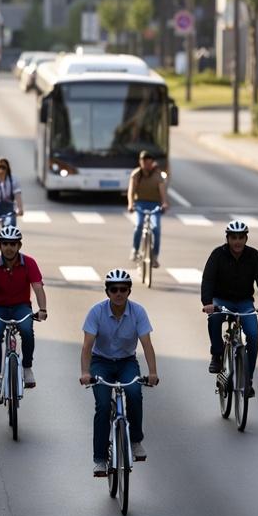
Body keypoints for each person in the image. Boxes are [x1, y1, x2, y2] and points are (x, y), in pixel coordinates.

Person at [79, 268, 160, 477]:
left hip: (126, 362)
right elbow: (87, 346)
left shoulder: (138, 312)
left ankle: (135, 441)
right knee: (103, 405)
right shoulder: (96, 312)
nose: (118, 293)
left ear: (129, 291)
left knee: (134, 392)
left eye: (123, 289)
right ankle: (99, 459)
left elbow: (147, 345)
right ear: (107, 292)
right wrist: (85, 372)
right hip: (101, 362)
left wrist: (152, 372)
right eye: (113, 289)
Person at [201, 220, 258, 396]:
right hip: (221, 300)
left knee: (253, 336)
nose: (237, 241)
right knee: (214, 319)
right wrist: (207, 303)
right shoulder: (217, 255)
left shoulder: (254, 256)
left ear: (246, 238)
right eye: (233, 237)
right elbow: (208, 279)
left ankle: (247, 380)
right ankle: (217, 354)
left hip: (244, 302)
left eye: (241, 237)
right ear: (227, 238)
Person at [0, 226, 48, 397]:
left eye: (13, 244)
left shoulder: (29, 263)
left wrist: (42, 309)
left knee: (27, 330)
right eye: (5, 244)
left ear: (19, 246)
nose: (9, 247)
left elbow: (38, 288)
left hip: (21, 306)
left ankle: (27, 367)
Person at [127, 150, 169, 267]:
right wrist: (131, 204)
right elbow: (131, 191)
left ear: (152, 163)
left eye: (148, 162)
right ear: (140, 162)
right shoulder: (136, 174)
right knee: (139, 225)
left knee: (156, 228)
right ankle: (135, 250)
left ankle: (155, 256)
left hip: (155, 204)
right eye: (144, 162)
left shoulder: (157, 175)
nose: (146, 165)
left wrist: (164, 203)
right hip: (140, 203)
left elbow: (163, 192)